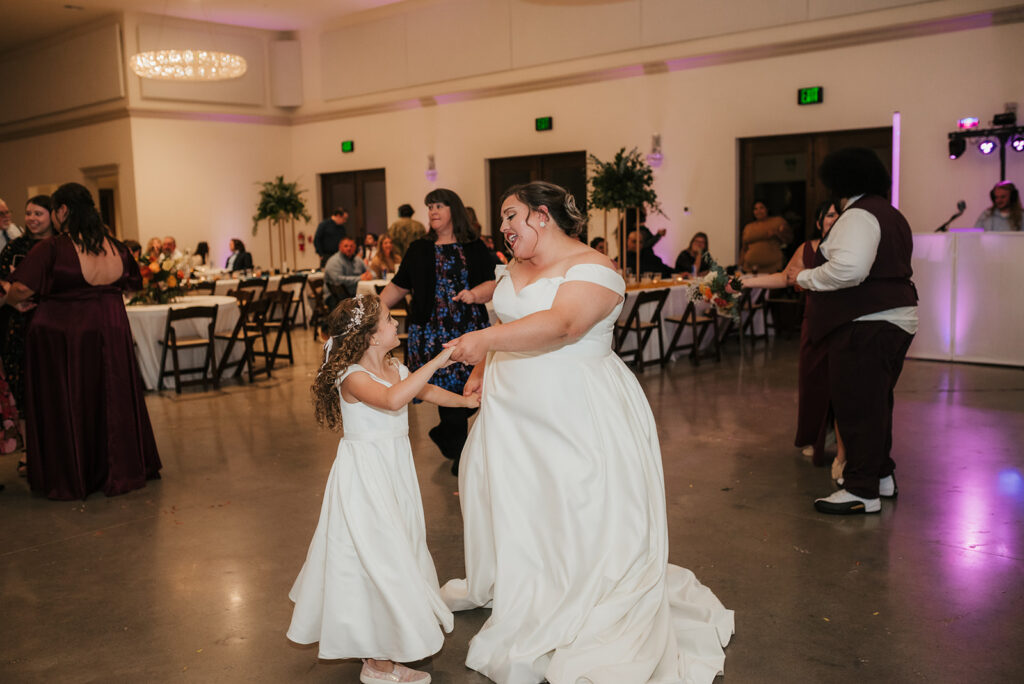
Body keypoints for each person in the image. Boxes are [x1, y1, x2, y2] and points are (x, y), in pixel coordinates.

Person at [440, 181, 733, 684]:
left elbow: (564, 324)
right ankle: (523, 585)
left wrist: (481, 339)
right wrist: (485, 364)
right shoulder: (512, 266)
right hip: (511, 410)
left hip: (573, 406)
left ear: (541, 216)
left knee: (574, 502)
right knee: (512, 499)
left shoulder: (595, 268)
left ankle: (578, 594)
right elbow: (513, 318)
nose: (504, 227)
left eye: (511, 216)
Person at [287, 294, 477, 684]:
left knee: (394, 554)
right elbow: (393, 401)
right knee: (376, 559)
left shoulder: (393, 365)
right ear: (371, 337)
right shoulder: (353, 377)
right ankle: (377, 665)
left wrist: (466, 402)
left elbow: (421, 392)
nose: (396, 324)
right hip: (365, 476)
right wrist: (441, 359)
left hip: (394, 472)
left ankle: (381, 654)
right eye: (390, 320)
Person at [3, 182, 161, 500]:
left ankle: (76, 472)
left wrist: (8, 300)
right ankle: (122, 466)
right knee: (112, 397)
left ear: (62, 211)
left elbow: (21, 289)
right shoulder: (114, 245)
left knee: (72, 400)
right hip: (112, 329)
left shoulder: (53, 248)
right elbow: (134, 286)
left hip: (66, 336)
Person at [786, 148, 918, 515]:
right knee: (876, 406)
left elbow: (850, 270)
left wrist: (805, 277)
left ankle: (862, 490)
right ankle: (882, 476)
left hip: (866, 326)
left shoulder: (859, 215)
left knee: (856, 409)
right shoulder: (889, 213)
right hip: (891, 320)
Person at [379, 188, 495, 476]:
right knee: (444, 390)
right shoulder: (419, 248)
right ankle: (458, 451)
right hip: (431, 332)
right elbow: (399, 285)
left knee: (471, 389)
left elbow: (494, 281)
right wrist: (372, 309)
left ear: (453, 211)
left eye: (439, 206)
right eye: (430, 206)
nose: (432, 211)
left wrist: (475, 294)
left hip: (468, 328)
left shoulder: (474, 246)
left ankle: (448, 434)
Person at [743, 202, 846, 471]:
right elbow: (783, 278)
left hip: (842, 323)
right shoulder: (807, 249)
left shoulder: (849, 249)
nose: (834, 219)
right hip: (813, 324)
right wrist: (745, 281)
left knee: (841, 385)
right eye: (830, 215)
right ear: (819, 221)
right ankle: (819, 435)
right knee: (813, 382)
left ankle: (844, 451)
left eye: (839, 215)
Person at [0, 195, 56, 475]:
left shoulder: (61, 246)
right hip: (18, 326)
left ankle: (57, 449)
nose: (32, 218)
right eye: (29, 213)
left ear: (53, 216)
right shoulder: (15, 247)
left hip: (54, 325)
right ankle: (28, 452)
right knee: (21, 388)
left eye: (39, 213)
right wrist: (12, 298)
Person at [741, 200, 792, 273]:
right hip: (751, 269)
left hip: (773, 268)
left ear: (767, 209)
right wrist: (739, 265)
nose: (758, 211)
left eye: (761, 208)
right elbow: (744, 249)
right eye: (755, 209)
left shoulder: (778, 221)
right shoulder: (748, 227)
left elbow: (789, 239)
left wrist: (777, 233)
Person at [324, 237, 370, 307]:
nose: (349, 248)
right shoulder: (334, 261)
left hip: (353, 294)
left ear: (355, 248)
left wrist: (370, 275)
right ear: (340, 247)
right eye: (346, 246)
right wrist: (360, 278)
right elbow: (337, 280)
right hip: (335, 296)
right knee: (363, 305)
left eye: (351, 246)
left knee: (371, 301)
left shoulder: (357, 260)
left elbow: (371, 272)